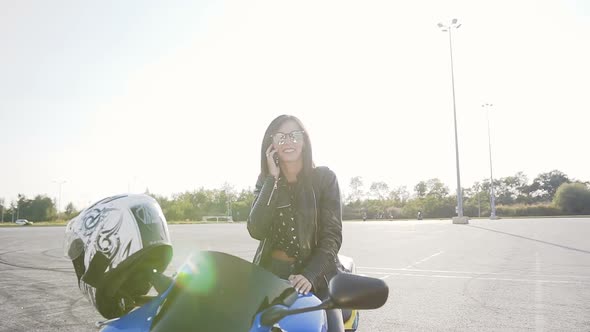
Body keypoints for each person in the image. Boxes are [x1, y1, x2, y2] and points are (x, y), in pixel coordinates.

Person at [247, 114, 344, 330]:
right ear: (271, 144)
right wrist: (272, 179)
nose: (287, 141)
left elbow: (332, 236)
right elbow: (256, 229)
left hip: (317, 274)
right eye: (280, 136)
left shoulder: (324, 178)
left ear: (304, 140)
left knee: (332, 326)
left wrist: (309, 274)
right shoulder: (265, 180)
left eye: (294, 135)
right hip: (270, 274)